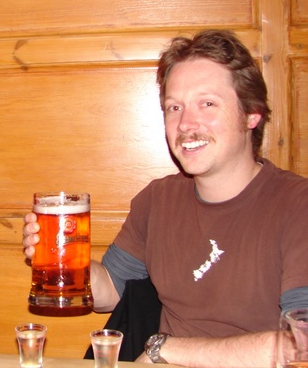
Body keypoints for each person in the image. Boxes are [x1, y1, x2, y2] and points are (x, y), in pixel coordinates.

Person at [22, 29, 308, 367]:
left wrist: (169, 350)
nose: (185, 123)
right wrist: (61, 256)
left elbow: (301, 345)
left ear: (252, 113)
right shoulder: (158, 199)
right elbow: (110, 290)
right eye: (174, 107)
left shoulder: (297, 204)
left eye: (207, 103)